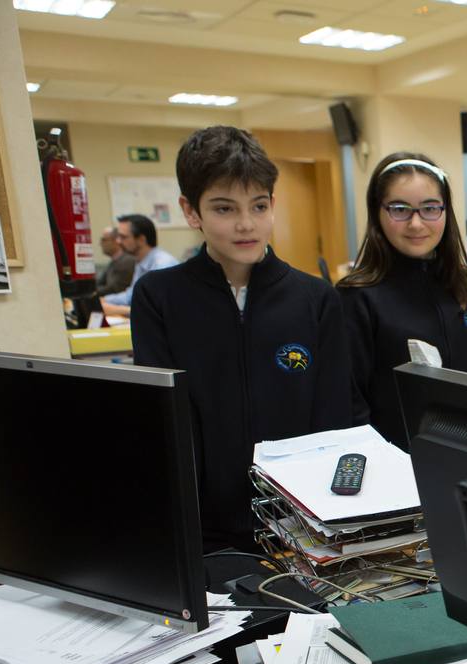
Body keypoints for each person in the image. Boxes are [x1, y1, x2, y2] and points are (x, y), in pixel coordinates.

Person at [131, 125, 352, 552]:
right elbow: (166, 423)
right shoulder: (159, 297)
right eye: (224, 208)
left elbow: (333, 419)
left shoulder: (316, 299)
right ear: (191, 211)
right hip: (204, 529)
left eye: (259, 205)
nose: (246, 224)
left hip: (300, 525)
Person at [340, 152, 467, 450]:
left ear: (445, 211)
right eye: (400, 209)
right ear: (378, 213)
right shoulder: (358, 296)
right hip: (397, 468)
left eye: (430, 208)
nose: (416, 223)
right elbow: (352, 403)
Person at [100, 214, 179, 317]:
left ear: (141, 239)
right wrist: (103, 300)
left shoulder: (162, 264)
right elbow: (130, 296)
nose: (118, 241)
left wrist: (117, 309)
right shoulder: (141, 261)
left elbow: (158, 311)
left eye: (123, 237)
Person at [95, 225, 134, 298]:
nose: (100, 244)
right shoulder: (115, 260)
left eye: (104, 240)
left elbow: (114, 289)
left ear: (116, 240)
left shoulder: (127, 261)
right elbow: (100, 282)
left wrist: (90, 292)